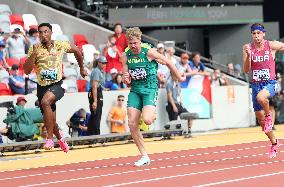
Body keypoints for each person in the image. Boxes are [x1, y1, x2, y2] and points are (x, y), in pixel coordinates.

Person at [121, 27, 184, 166]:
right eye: (130, 43)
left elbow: (168, 62)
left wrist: (178, 77)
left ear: (140, 41)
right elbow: (126, 80)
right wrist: (125, 78)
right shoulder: (125, 55)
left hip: (149, 89)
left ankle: (150, 113)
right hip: (135, 90)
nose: (133, 46)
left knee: (148, 120)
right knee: (132, 123)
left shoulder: (149, 52)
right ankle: (144, 156)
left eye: (135, 43)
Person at [23, 23, 87, 153]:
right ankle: (61, 139)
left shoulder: (60, 45)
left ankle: (50, 139)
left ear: (51, 33)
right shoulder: (34, 48)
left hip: (58, 84)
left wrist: (81, 68)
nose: (43, 35)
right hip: (42, 87)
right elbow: (26, 70)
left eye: (46, 32)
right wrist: (34, 55)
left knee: (45, 102)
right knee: (50, 120)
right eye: (40, 32)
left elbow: (77, 51)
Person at [243, 23, 284, 158]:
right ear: (251, 35)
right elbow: (246, 70)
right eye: (254, 33)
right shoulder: (247, 48)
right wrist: (249, 56)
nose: (256, 36)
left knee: (262, 98)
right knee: (260, 122)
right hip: (256, 85)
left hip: (270, 83)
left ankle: (268, 117)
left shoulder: (271, 45)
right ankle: (274, 142)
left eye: (258, 33)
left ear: (263, 34)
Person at [166, 74, 193, 138]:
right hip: (172, 104)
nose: (177, 77)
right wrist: (173, 106)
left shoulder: (178, 85)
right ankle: (172, 134)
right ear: (172, 76)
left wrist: (181, 103)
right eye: (175, 75)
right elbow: (169, 97)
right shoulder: (169, 84)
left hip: (179, 104)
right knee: (173, 121)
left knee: (190, 116)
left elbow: (179, 95)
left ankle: (189, 131)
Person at [87, 56, 108, 135]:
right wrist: (95, 101)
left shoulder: (99, 71)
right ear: (99, 63)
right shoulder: (97, 71)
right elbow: (94, 86)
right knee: (96, 115)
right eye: (103, 63)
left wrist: (103, 88)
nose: (105, 64)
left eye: (105, 63)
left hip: (97, 91)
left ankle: (91, 134)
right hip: (95, 93)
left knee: (95, 115)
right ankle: (96, 134)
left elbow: (98, 84)